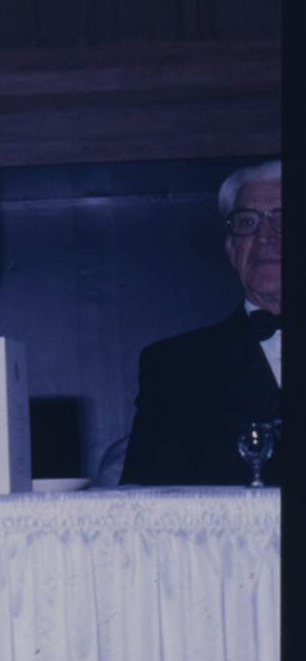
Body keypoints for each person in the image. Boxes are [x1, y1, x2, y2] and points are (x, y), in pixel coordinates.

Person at [120, 160, 281, 486]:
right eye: (247, 221)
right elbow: (142, 502)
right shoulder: (172, 367)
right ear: (231, 250)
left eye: (284, 219)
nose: (264, 237)